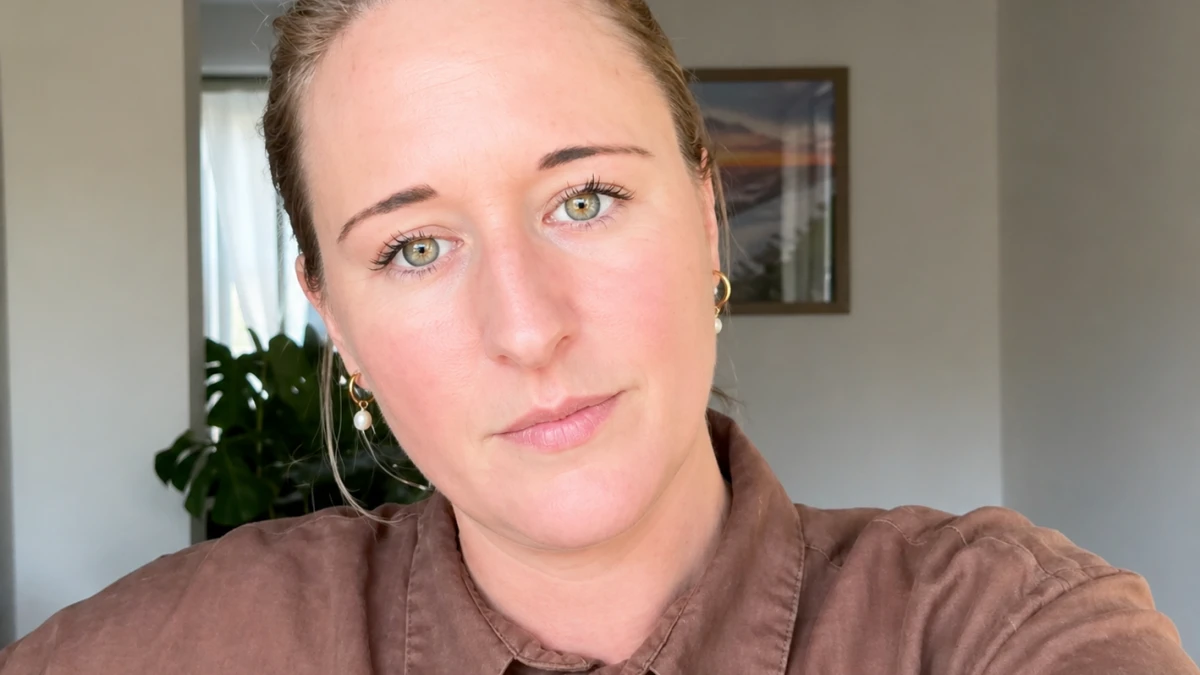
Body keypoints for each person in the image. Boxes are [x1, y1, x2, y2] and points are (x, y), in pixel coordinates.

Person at [2, 0, 1197, 672]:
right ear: (339, 325)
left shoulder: (991, 627)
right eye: (413, 248)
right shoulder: (200, 645)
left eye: (585, 199)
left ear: (707, 216)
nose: (527, 328)